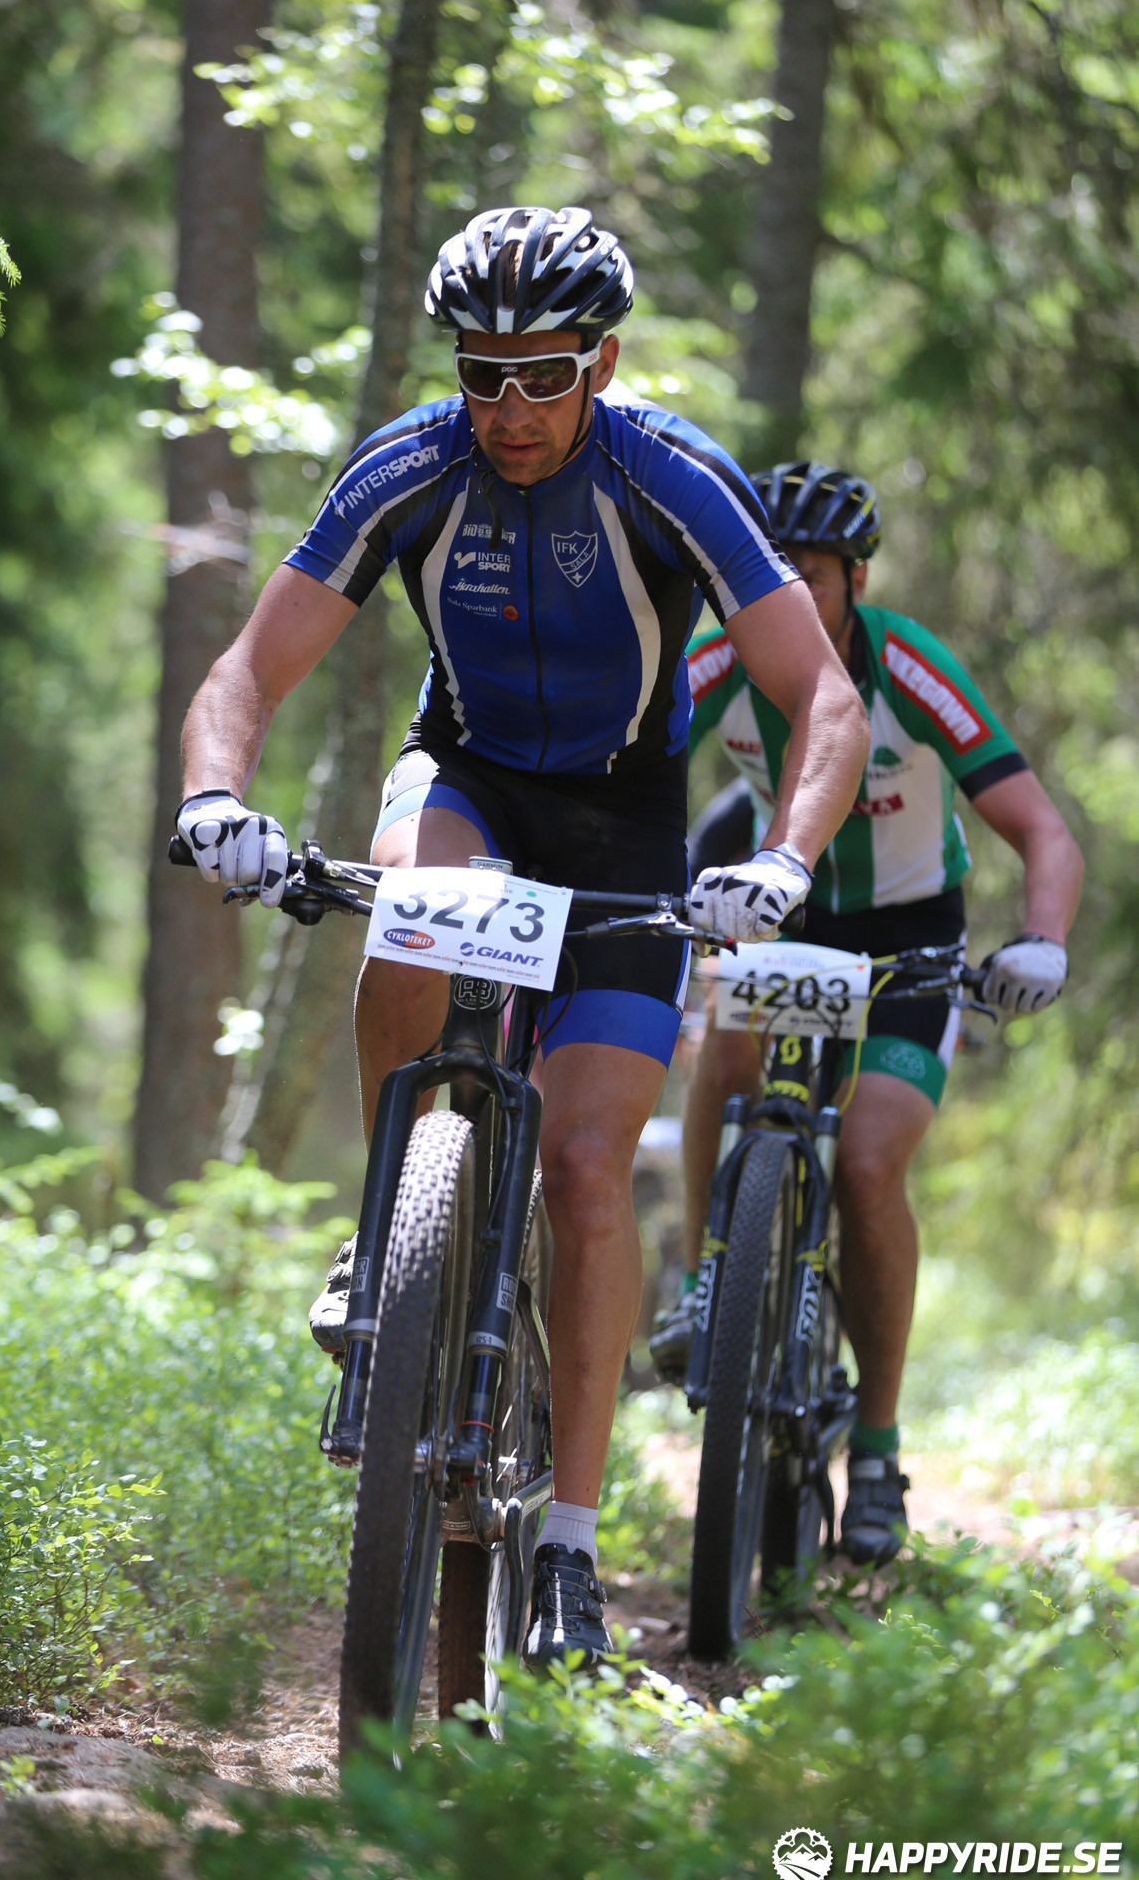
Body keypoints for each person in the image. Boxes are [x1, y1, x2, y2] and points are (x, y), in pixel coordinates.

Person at [173, 210, 869, 1664]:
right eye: (481, 375)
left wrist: (784, 860)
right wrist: (215, 796)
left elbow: (824, 699)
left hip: (625, 821)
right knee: (405, 908)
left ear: (600, 363)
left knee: (588, 1167)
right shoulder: (412, 466)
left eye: (543, 375)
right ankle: (392, 1229)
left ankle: (568, 1541)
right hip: (469, 777)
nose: (509, 409)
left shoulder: (668, 471)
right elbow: (249, 668)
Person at [649, 461, 1083, 1565]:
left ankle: (879, 1450)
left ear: (856, 579)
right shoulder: (724, 655)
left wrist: (1040, 936)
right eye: (771, 570)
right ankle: (705, 1279)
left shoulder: (909, 666)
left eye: (813, 572)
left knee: (870, 1165)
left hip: (908, 935)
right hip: (785, 912)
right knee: (720, 1046)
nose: (791, 591)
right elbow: (629, 764)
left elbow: (1041, 829)